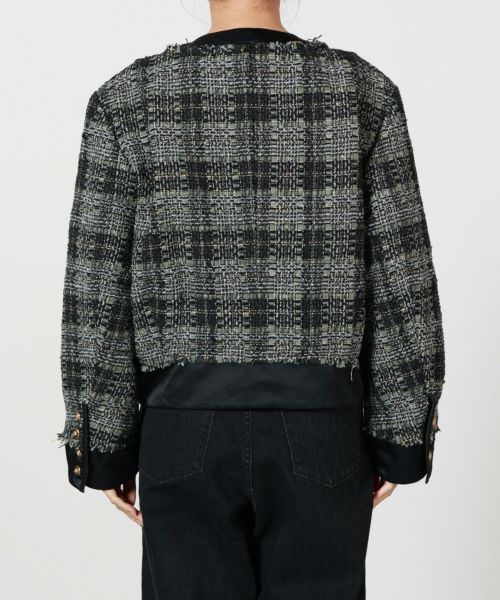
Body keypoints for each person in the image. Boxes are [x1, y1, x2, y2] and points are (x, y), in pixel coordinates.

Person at [56, 0, 445, 598]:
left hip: (182, 425)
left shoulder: (127, 100)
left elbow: (97, 284)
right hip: (322, 427)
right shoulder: (363, 92)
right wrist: (402, 435)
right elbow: (401, 272)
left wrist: (100, 442)